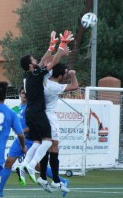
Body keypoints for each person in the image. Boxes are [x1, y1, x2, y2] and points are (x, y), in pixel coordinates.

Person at [17, 30, 73, 187]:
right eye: (33, 59)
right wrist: (62, 45)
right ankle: (31, 165)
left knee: (36, 142)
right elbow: (53, 62)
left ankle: (22, 166)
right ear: (30, 65)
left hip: (30, 113)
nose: (37, 60)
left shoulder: (29, 76)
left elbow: (42, 61)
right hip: (38, 112)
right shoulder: (36, 75)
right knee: (48, 142)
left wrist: (52, 45)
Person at [37, 63, 78, 194]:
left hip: (41, 117)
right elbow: (75, 86)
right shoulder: (55, 86)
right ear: (60, 75)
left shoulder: (43, 79)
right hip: (49, 117)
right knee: (54, 148)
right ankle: (55, 181)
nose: (66, 75)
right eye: (65, 73)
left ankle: (43, 177)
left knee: (46, 147)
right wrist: (73, 75)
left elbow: (50, 64)